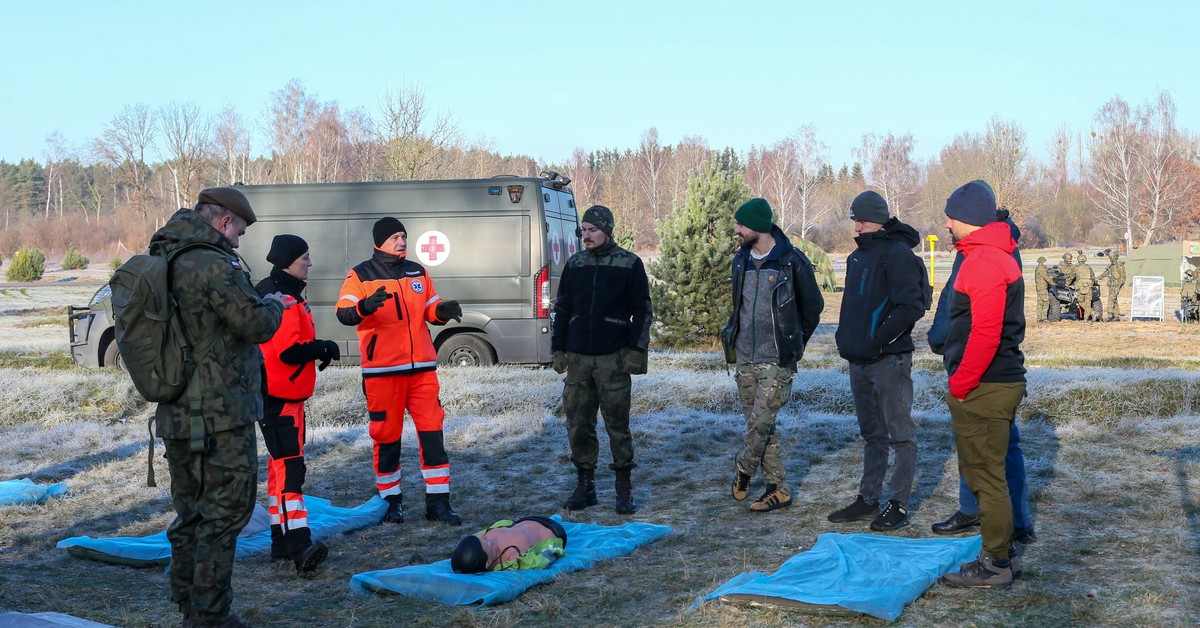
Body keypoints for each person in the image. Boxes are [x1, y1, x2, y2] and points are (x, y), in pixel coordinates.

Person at [153, 187, 291, 626]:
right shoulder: (213, 263)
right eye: (240, 232)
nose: (238, 242)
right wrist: (273, 303)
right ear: (225, 221)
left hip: (176, 412)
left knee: (190, 513)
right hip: (220, 415)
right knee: (225, 515)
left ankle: (188, 605)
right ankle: (211, 617)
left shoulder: (165, 256)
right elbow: (255, 323)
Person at [336, 217, 464, 526]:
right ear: (380, 240)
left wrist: (441, 311)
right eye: (395, 236)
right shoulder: (360, 274)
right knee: (386, 438)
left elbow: (430, 307)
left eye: (404, 236)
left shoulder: (417, 271)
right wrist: (365, 306)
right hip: (382, 373)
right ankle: (390, 503)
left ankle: (438, 503)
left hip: (422, 371)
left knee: (433, 435)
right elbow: (343, 312)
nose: (401, 241)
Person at [928, 196, 1036, 547]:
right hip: (987, 380)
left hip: (985, 383)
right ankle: (999, 553)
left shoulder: (986, 260)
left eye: (951, 217)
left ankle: (996, 561)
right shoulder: (981, 254)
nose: (946, 224)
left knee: (989, 478)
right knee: (985, 474)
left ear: (969, 218)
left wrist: (961, 383)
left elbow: (986, 333)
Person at [828, 191, 926, 531]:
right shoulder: (858, 257)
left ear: (878, 220)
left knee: (900, 434)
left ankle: (897, 504)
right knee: (872, 434)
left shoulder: (897, 254)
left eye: (861, 219)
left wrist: (878, 339)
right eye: (854, 220)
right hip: (859, 360)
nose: (855, 226)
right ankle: (868, 499)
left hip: (890, 361)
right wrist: (848, 340)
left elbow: (911, 307)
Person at [721, 198, 823, 513]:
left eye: (741, 224)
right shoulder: (740, 260)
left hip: (777, 359)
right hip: (744, 356)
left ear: (757, 227)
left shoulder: (792, 261)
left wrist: (794, 342)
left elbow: (813, 308)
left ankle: (744, 469)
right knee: (759, 424)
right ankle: (778, 489)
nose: (736, 230)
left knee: (761, 421)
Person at [552, 205, 652, 515]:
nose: (586, 235)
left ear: (607, 229)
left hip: (614, 359)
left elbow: (643, 311)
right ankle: (586, 485)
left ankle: (623, 488)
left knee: (617, 425)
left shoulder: (629, 263)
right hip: (579, 359)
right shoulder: (575, 264)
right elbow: (563, 309)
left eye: (592, 229)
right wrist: (559, 349)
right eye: (583, 230)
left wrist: (636, 350)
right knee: (578, 423)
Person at [255, 234, 341, 573]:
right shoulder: (282, 298)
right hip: (280, 398)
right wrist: (322, 347)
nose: (310, 263)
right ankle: (299, 545)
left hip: (278, 397)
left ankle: (280, 541)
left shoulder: (274, 291)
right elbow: (288, 351)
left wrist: (319, 348)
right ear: (288, 261)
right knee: (291, 472)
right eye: (304, 257)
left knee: (279, 472)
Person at [450, 516, 568, 574]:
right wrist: (549, 554)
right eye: (487, 542)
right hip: (555, 531)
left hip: (527, 519)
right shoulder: (510, 561)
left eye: (482, 537)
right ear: (488, 563)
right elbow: (538, 562)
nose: (482, 536)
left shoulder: (480, 539)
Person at [1096, 251, 1126, 321]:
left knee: (1111, 299)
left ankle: (1110, 315)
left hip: (1116, 286)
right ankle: (1116, 315)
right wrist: (1097, 278)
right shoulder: (1111, 267)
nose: (1109, 258)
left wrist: (1118, 286)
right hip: (1111, 285)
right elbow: (1104, 274)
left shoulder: (1119, 266)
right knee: (1114, 299)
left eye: (1110, 257)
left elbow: (1123, 277)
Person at [1076, 253, 1096, 322]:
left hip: (1080, 287)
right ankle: (1086, 318)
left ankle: (1092, 313)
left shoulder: (1076, 267)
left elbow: (1072, 276)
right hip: (1088, 286)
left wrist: (1067, 284)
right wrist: (1091, 284)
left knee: (1080, 301)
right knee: (1088, 303)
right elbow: (1093, 277)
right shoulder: (1088, 267)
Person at [1034, 257, 1053, 322]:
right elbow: (1046, 277)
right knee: (1046, 302)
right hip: (1043, 288)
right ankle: (1044, 318)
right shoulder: (1041, 269)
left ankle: (1039, 318)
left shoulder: (1037, 268)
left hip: (1039, 288)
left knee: (1040, 303)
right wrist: (1053, 283)